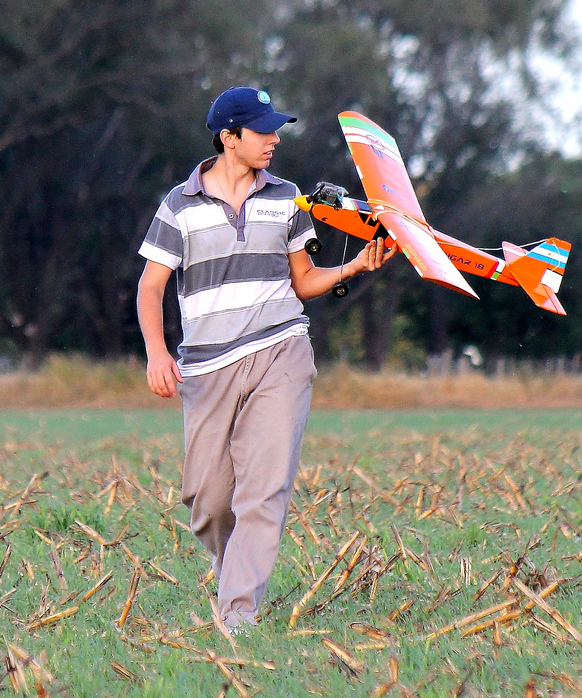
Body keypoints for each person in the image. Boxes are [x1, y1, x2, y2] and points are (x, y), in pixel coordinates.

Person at [136, 87, 393, 632]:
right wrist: (157, 352)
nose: (274, 140)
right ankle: (232, 569)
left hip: (281, 351)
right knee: (207, 500)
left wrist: (352, 269)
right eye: (262, 131)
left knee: (264, 488)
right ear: (229, 138)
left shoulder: (286, 197)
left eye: (276, 130)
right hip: (206, 368)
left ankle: (238, 615)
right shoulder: (179, 205)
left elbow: (302, 281)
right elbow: (150, 286)